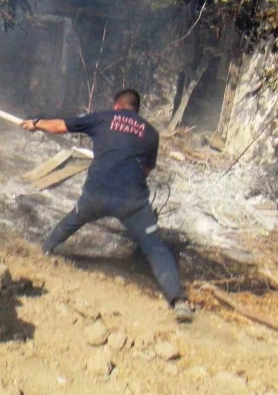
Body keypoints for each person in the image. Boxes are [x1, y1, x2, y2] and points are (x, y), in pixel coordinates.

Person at [20, 89, 193, 323]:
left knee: (75, 218)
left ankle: (45, 250)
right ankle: (179, 302)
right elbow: (146, 171)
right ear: (136, 109)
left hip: (96, 195)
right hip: (132, 201)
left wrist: (36, 124)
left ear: (117, 106)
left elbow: (60, 126)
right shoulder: (151, 133)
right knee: (155, 247)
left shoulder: (103, 118)